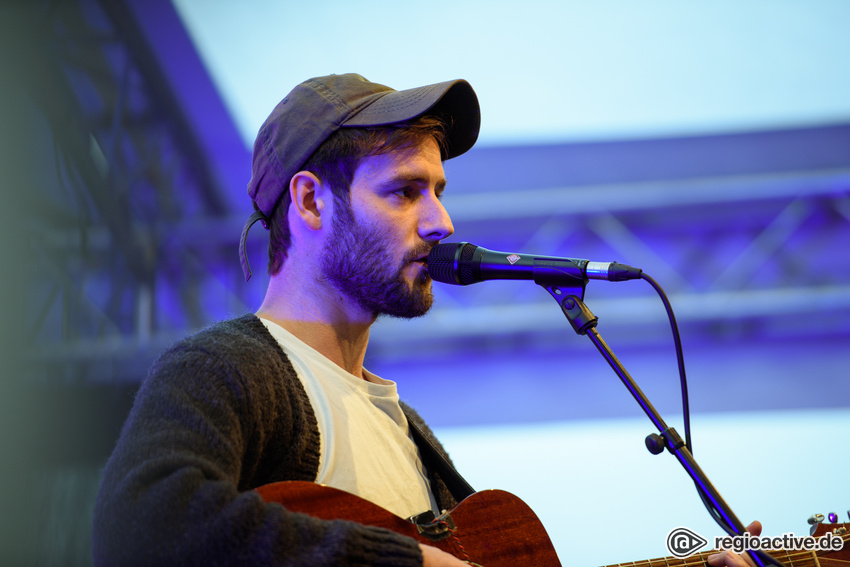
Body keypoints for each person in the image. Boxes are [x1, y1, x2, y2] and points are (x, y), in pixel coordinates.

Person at [92, 73, 481, 566]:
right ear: (310, 201)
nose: (440, 222)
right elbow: (141, 527)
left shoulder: (410, 432)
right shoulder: (224, 369)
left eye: (437, 191)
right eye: (405, 192)